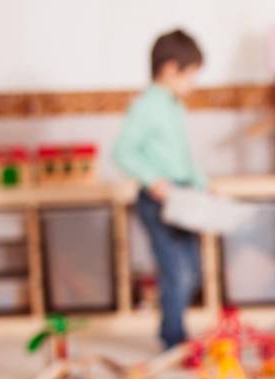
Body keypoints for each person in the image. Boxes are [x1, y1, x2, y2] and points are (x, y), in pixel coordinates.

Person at [113, 29, 206, 349]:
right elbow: (123, 151)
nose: (193, 84)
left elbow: (183, 155)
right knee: (175, 269)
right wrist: (152, 180)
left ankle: (175, 328)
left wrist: (201, 187)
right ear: (169, 69)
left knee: (192, 268)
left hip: (183, 195)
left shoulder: (173, 105)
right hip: (158, 200)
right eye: (191, 75)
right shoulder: (145, 106)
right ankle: (173, 337)